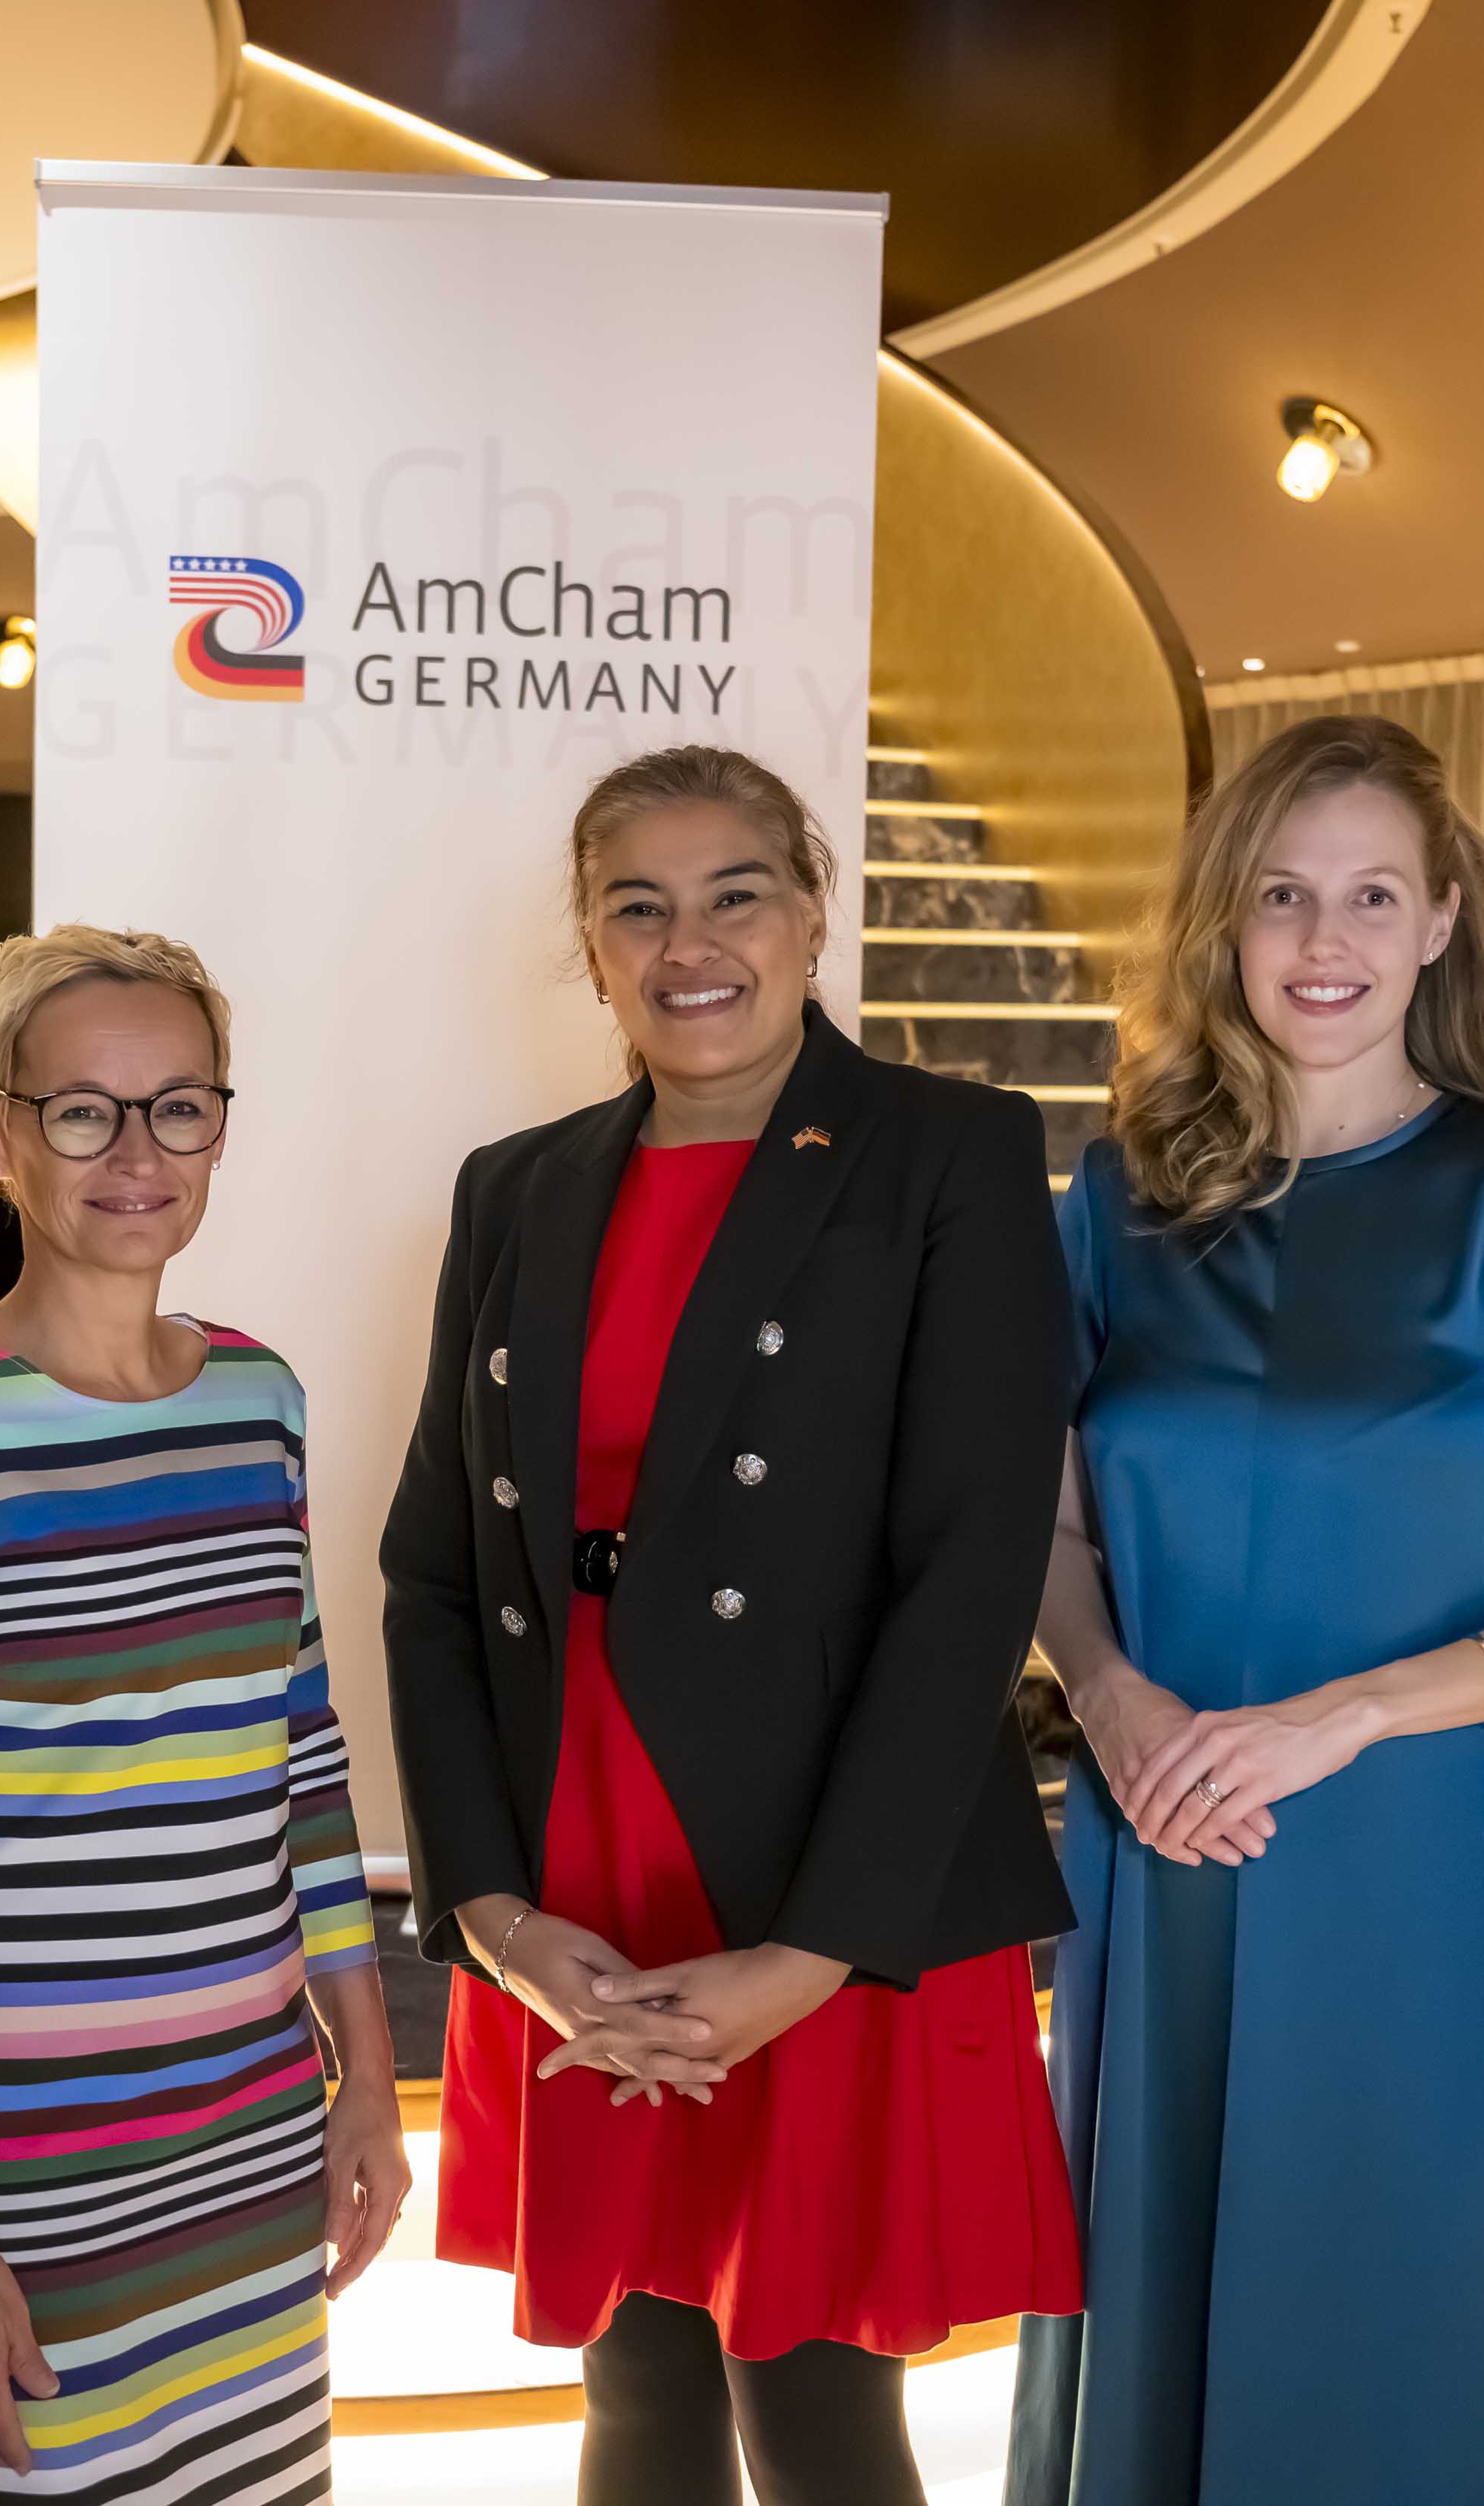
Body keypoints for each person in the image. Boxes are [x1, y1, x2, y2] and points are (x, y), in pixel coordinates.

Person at [1007, 715, 1484, 2505]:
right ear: (1222, 928)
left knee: (1439, 2331)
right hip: (1168, 1837)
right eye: (1281, 897)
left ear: (1442, 918)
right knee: (1168, 2304)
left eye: (1371, 896)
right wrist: (1110, 1703)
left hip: (1447, 1857)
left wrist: (1351, 1714)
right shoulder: (1115, 1203)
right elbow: (1045, 1532)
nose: (1324, 945)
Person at [382, 744, 1079, 2506]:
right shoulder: (515, 1189)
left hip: (834, 1867)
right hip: (582, 1868)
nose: (689, 943)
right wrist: (490, 1915)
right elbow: (438, 1575)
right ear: (591, 942)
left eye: (733, 893)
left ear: (811, 908)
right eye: (638, 904)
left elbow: (971, 1574)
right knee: (632, 2383)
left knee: (822, 2405)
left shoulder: (949, 1154)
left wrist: (813, 1953)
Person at [0, 927, 407, 2500]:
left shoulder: (255, 1397)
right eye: (83, 1111)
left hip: (250, 2146)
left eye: (177, 1107)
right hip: (17, 2182)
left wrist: (365, 2082)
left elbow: (306, 1757)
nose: (136, 1154)